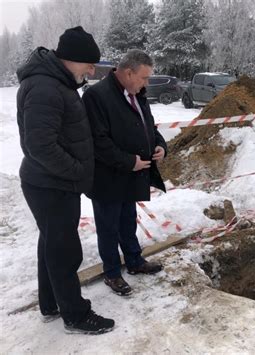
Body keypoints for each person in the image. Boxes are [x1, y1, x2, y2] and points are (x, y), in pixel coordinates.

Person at [16, 26, 114, 334]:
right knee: (65, 250)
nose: (92, 69)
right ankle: (76, 315)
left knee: (52, 245)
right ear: (72, 59)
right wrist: (76, 170)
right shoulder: (46, 87)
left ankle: (51, 304)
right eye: (89, 63)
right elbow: (40, 145)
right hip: (52, 184)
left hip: (52, 182)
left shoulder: (58, 82)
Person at [82, 49, 167, 296]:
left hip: (132, 175)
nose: (146, 83)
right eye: (144, 78)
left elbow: (148, 126)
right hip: (107, 178)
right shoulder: (96, 96)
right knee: (108, 227)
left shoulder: (136, 93)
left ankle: (134, 261)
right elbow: (98, 141)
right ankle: (112, 273)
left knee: (128, 221)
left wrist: (161, 145)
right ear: (128, 73)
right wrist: (130, 161)